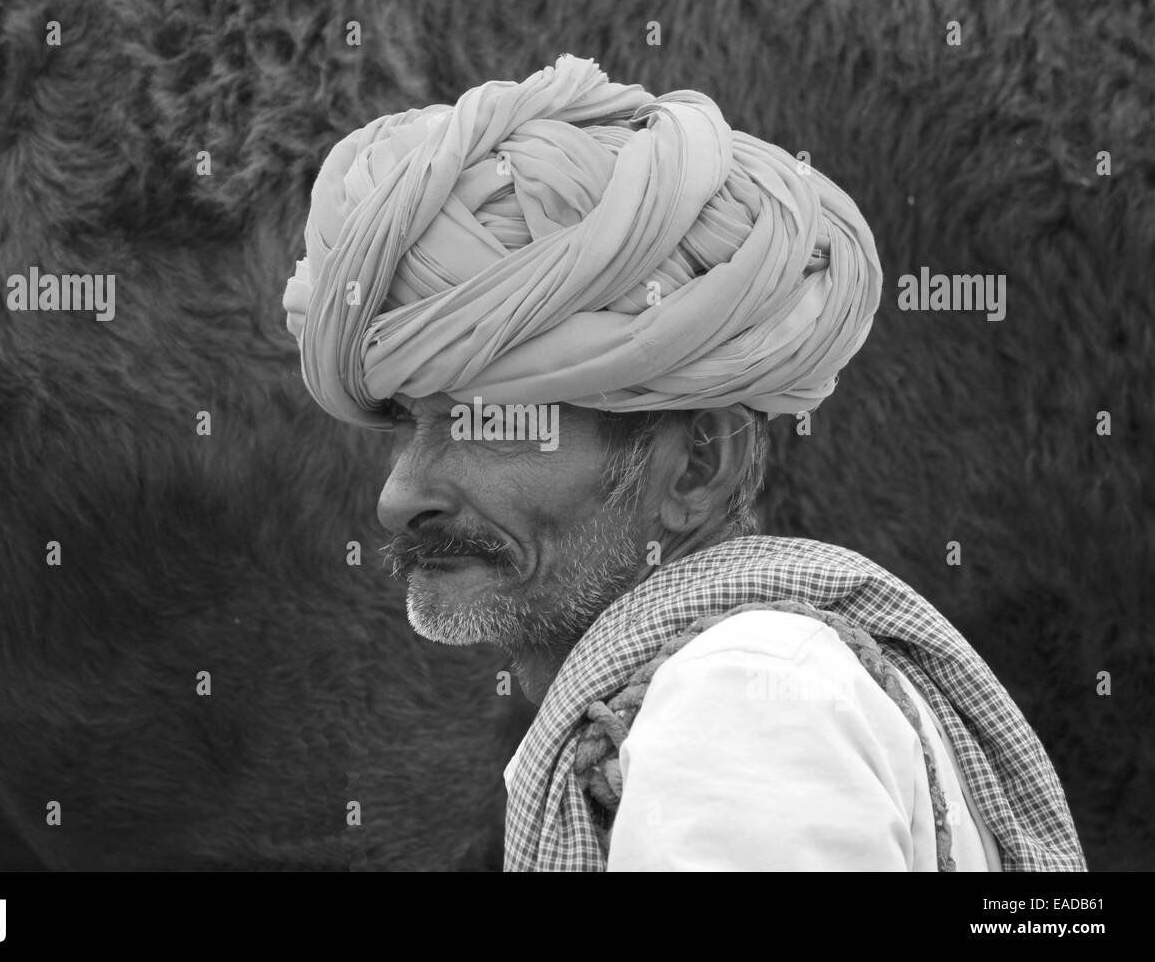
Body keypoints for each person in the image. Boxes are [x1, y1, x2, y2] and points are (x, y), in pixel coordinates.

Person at [282, 55, 1085, 872]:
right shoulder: (701, 699)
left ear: (699, 465)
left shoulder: (739, 703)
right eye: (409, 423)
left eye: (487, 425)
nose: (398, 496)